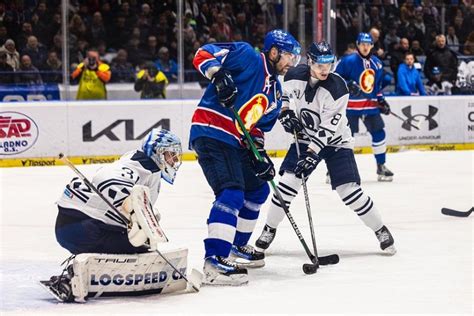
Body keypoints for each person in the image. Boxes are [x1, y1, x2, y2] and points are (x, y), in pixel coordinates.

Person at [254, 41, 396, 257]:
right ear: (310, 61)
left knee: (349, 191)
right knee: (286, 187)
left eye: (328, 64)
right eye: (320, 64)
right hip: (304, 137)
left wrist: (311, 154)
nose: (324, 69)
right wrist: (285, 112)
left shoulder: (338, 89)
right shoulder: (293, 75)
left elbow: (328, 128)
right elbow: (284, 94)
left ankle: (381, 230)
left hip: (336, 142)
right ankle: (269, 228)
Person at [190, 29, 301, 286]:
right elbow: (203, 53)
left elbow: (257, 127)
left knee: (258, 189)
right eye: (287, 57)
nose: (290, 63)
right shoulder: (246, 56)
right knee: (231, 192)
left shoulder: (275, 91)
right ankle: (214, 260)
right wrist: (217, 75)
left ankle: (236, 246)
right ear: (273, 52)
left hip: (237, 141)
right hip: (212, 131)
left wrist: (259, 154)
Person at [44, 129, 184, 302]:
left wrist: (136, 214)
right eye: (170, 154)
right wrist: (129, 204)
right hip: (78, 226)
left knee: (139, 239)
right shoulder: (142, 166)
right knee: (136, 244)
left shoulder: (146, 166)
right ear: (156, 152)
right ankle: (72, 279)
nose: (175, 160)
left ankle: (86, 271)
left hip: (80, 223)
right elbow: (105, 178)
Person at [335, 33, 394, 182]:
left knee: (379, 134)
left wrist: (381, 101)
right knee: (345, 138)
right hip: (350, 107)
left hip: (370, 106)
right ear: (357, 44)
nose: (365, 47)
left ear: (372, 46)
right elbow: (334, 78)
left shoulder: (377, 63)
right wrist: (347, 84)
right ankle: (336, 169)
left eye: (368, 44)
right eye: (362, 44)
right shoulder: (347, 61)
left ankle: (381, 166)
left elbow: (377, 86)